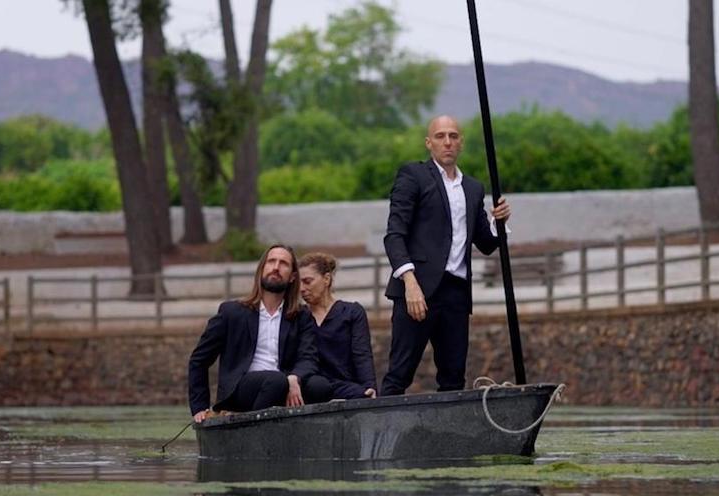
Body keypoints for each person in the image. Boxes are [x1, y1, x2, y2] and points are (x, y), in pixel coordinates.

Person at [381, 115, 511, 396]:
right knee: (399, 374)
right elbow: (394, 235)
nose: (448, 142)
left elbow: (486, 243)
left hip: (456, 292)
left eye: (453, 136)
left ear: (461, 142)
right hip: (418, 289)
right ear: (429, 143)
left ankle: (448, 438)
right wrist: (410, 284)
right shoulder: (413, 175)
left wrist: (498, 222)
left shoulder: (473, 188)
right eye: (440, 136)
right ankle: (380, 436)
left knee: (453, 377)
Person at [187, 244, 317, 422]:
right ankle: (250, 433)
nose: (276, 267)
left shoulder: (301, 316)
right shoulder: (231, 312)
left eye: (283, 263)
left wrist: (295, 377)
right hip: (241, 389)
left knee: (320, 387)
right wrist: (199, 406)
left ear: (293, 277)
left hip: (284, 385)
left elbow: (308, 358)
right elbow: (199, 360)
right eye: (271, 261)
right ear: (262, 269)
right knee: (276, 381)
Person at [298, 252, 377, 402]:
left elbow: (362, 355)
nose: (302, 288)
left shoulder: (352, 312)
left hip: (347, 388)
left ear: (326, 279)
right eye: (299, 283)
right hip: (312, 389)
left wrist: (370, 388)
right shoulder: (299, 316)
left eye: (307, 281)